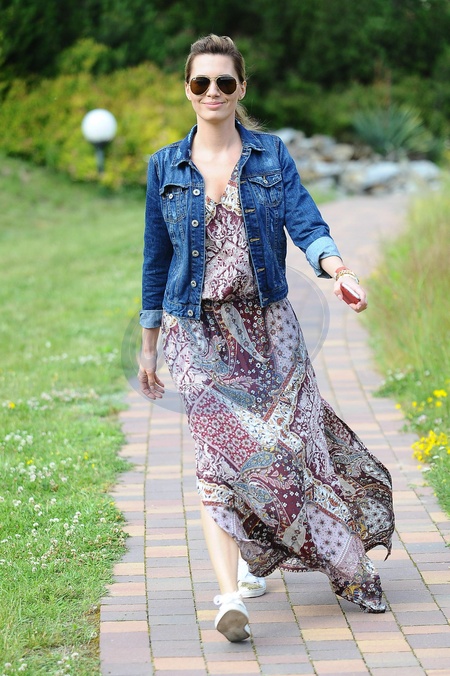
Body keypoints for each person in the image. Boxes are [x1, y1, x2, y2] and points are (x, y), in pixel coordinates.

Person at [138, 34, 394, 643]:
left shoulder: (271, 155)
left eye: (224, 82)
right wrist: (149, 346)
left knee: (288, 452)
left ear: (241, 89)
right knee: (217, 458)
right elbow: (156, 259)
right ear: (187, 90)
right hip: (196, 334)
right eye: (201, 82)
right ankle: (229, 598)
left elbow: (306, 222)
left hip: (269, 330)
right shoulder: (164, 166)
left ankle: (268, 553)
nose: (213, 92)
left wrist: (338, 270)